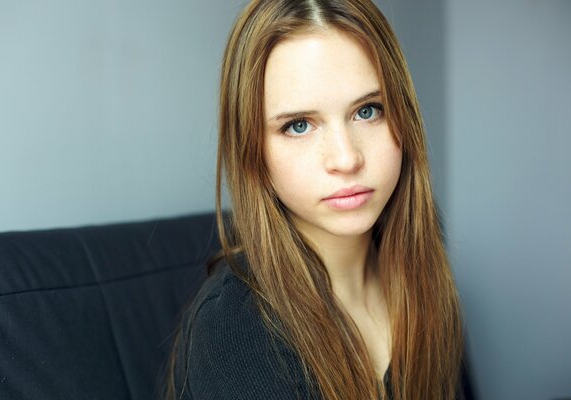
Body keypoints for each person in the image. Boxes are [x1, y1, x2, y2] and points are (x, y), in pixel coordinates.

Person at [168, 0, 466, 399]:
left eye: (368, 111)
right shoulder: (233, 329)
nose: (346, 158)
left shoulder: (420, 270)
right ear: (253, 151)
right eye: (299, 125)